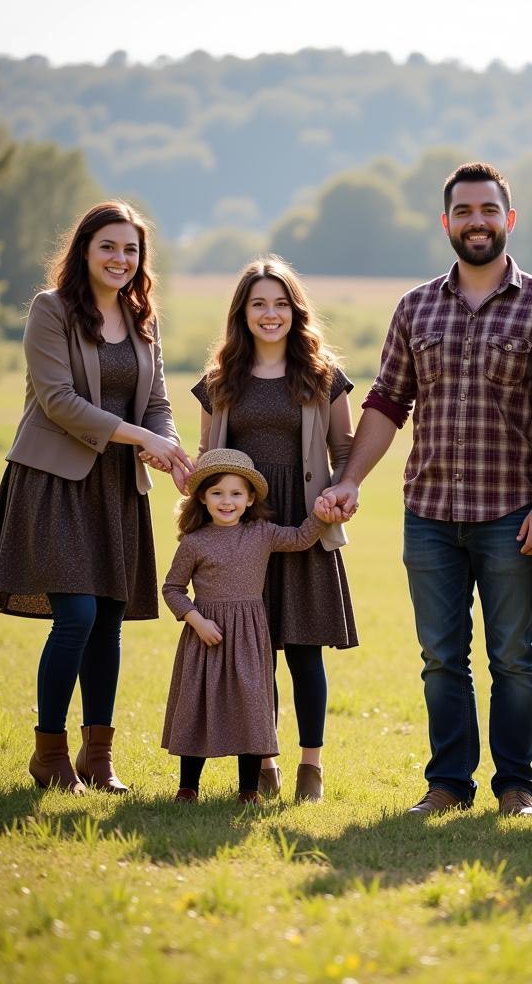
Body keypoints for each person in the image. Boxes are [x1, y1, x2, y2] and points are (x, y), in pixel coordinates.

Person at [323, 162, 532, 817]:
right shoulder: (416, 306)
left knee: (513, 656)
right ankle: (448, 786)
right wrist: (348, 480)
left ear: (509, 220)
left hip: (512, 514)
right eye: (464, 211)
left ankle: (517, 788)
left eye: (489, 210)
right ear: (447, 222)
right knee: (440, 658)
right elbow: (387, 401)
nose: (477, 221)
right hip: (428, 515)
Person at [0, 200, 195, 795]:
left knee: (109, 623)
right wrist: (140, 436)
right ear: (84, 250)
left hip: (118, 487)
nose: (120, 259)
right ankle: (49, 754)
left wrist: (168, 448)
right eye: (108, 247)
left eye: (131, 250)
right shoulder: (51, 311)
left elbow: (159, 404)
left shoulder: (142, 319)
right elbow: (58, 400)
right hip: (56, 480)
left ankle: (98, 758)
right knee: (75, 616)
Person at [193, 256, 357, 803]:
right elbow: (205, 458)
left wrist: (342, 489)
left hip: (305, 525)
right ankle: (264, 761)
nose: (270, 314)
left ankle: (311, 767)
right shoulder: (220, 381)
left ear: (295, 310)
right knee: (252, 650)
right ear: (242, 312)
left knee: (304, 651)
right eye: (259, 304)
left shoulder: (322, 374)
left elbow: (344, 449)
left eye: (281, 303)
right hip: (244, 532)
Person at [161, 449, 342, 804]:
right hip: (206, 636)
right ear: (202, 497)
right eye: (217, 493)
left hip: (248, 635)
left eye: (235, 494)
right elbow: (172, 588)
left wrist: (322, 515)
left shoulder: (261, 534)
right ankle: (187, 787)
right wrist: (196, 620)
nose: (226, 501)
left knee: (251, 708)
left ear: (250, 498)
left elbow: (301, 538)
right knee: (197, 704)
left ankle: (249, 791)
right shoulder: (194, 542)